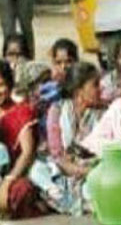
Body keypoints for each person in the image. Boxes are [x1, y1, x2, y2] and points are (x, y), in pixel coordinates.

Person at [29, 62, 102, 215]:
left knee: (92, 186)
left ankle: (65, 202)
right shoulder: (56, 111)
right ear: (79, 91)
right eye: (95, 85)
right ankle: (70, 201)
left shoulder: (102, 114)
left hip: (90, 170)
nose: (99, 89)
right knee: (36, 171)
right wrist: (77, 169)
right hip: (64, 169)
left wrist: (87, 170)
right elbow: (57, 156)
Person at [0, 59, 45, 220]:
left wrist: (7, 181)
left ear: (9, 85)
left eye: (0, 85)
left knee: (20, 192)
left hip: (16, 173)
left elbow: (27, 152)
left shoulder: (22, 112)